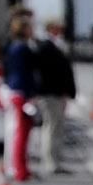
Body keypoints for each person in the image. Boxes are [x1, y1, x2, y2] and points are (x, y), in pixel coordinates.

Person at [0, 7, 42, 182]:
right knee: (19, 133)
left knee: (21, 132)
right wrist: (29, 94)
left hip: (16, 91)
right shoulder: (21, 48)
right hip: (19, 92)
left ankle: (20, 166)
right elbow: (24, 73)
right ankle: (18, 168)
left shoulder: (15, 46)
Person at [35, 18, 81, 175]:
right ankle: (50, 161)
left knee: (57, 126)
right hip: (50, 93)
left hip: (58, 93)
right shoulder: (46, 47)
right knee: (52, 126)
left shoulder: (56, 45)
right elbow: (51, 72)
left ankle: (55, 159)